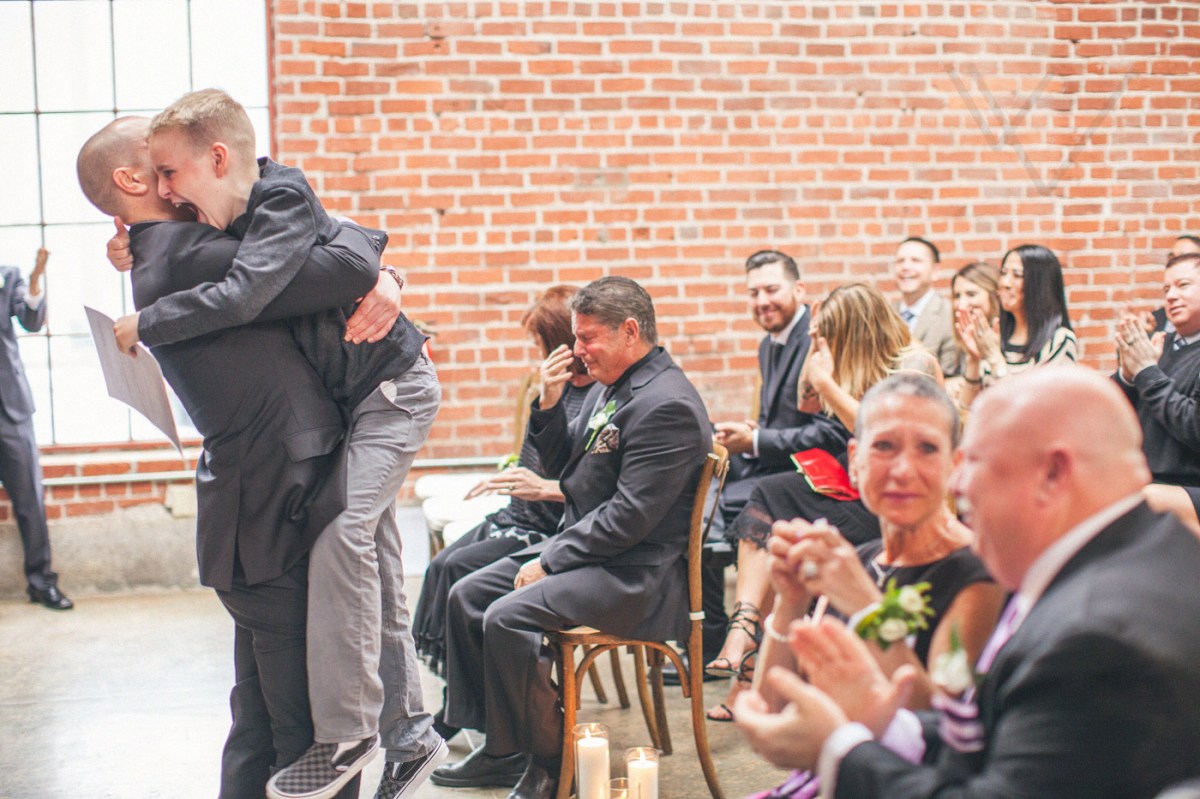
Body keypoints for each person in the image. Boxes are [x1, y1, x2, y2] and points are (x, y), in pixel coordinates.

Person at [106, 88, 444, 799]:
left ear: (216, 158)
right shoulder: (209, 233)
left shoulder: (268, 203)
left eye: (171, 172)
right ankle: (410, 736)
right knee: (376, 561)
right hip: (353, 406)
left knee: (347, 539)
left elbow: (298, 275)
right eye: (157, 176)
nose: (169, 188)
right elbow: (334, 254)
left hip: (389, 391)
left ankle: (352, 734)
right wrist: (372, 259)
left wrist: (380, 269)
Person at [735, 366, 1200, 799]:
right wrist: (884, 721)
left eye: (973, 460)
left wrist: (840, 749)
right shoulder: (1142, 556)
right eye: (885, 446)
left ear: (1054, 472)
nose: (958, 486)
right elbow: (992, 731)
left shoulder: (1094, 637)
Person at [432, 276, 710, 799]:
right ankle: (500, 747)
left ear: (630, 332)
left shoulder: (666, 404)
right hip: (600, 553)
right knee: (466, 594)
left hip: (637, 575)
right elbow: (569, 471)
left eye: (587, 337)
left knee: (506, 617)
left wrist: (551, 560)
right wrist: (549, 401)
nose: (577, 349)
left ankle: (552, 764)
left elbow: (630, 517)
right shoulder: (619, 384)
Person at [739, 372, 1005, 798]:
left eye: (927, 448)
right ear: (854, 459)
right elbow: (775, 710)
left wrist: (866, 605)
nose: (903, 469)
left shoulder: (977, 573)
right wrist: (790, 603)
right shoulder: (860, 560)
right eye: (884, 446)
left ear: (955, 465)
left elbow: (941, 733)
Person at [704, 284, 940, 722]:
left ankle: (748, 670)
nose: (821, 343)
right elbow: (805, 404)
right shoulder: (848, 363)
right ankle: (745, 627)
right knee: (771, 498)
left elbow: (883, 434)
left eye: (826, 335)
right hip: (853, 487)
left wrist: (828, 381)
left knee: (779, 518)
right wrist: (815, 362)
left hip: (892, 504)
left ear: (856, 331)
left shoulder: (914, 364)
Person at [413, 286, 593, 682]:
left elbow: (570, 471)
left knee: (457, 571)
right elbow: (537, 454)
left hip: (543, 526)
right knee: (441, 566)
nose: (537, 353)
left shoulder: (592, 397)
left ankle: (467, 692)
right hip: (517, 512)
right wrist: (512, 472)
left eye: (541, 343)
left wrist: (539, 481)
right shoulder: (557, 389)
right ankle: (460, 689)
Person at [702, 250, 849, 674]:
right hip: (772, 463)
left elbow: (831, 431)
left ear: (798, 290)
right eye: (753, 293)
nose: (762, 301)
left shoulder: (817, 340)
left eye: (771, 289)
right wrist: (750, 433)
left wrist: (756, 440)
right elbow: (778, 421)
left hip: (811, 474)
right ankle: (709, 630)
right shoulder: (769, 343)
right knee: (696, 481)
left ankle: (721, 630)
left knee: (706, 512)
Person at [0, 247, 71, 610]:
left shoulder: (8, 275)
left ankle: (42, 583)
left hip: (9, 409)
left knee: (30, 499)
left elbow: (31, 320)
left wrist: (34, 281)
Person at [1116, 252, 1200, 533]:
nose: (1171, 296)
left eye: (1183, 285)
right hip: (1147, 478)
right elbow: (1115, 415)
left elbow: (1195, 428)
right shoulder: (1161, 345)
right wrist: (1128, 375)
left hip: (1187, 485)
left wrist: (1147, 372)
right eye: (1166, 289)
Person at [956, 243, 1076, 407]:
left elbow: (1037, 408)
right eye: (1004, 273)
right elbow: (968, 407)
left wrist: (994, 359)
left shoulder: (1060, 340)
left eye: (1017, 275)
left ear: (1040, 285)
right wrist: (973, 359)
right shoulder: (997, 334)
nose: (1005, 283)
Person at [892, 237, 957, 377]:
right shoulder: (885, 313)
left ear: (935, 270)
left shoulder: (950, 314)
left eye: (915, 260)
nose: (905, 267)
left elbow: (952, 373)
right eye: (900, 261)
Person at [944, 261, 999, 403]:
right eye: (957, 296)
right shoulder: (962, 337)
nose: (961, 305)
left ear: (993, 295)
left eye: (971, 294)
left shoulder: (1004, 336)